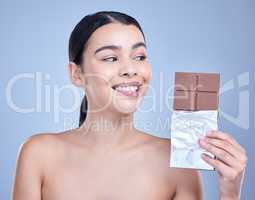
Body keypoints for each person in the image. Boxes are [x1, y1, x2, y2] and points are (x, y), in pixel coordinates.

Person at [12, 11, 247, 200]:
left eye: (140, 56)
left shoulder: (177, 163)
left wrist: (230, 192)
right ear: (76, 74)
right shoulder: (39, 154)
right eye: (110, 58)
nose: (130, 69)